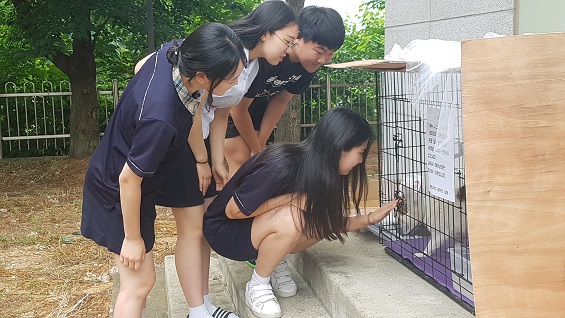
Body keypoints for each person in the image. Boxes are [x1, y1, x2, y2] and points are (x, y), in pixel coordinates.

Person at [136, 2, 298, 318]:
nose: (290, 50)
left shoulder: (254, 65)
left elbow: (221, 111)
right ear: (266, 33)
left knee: (204, 227)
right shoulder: (224, 48)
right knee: (192, 229)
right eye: (288, 40)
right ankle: (197, 311)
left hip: (204, 143)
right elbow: (189, 100)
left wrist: (217, 158)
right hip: (182, 144)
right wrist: (200, 159)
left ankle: (204, 304)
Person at [80, 23, 246, 318]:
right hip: (117, 194)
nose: (235, 85)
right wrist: (131, 238)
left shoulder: (175, 53)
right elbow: (128, 179)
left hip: (132, 189)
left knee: (140, 283)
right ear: (203, 77)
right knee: (139, 284)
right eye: (231, 79)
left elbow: (139, 65)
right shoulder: (160, 118)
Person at [204, 107, 401, 318]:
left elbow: (329, 222)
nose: (360, 161)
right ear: (341, 146)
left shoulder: (321, 172)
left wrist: (370, 219)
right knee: (295, 217)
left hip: (254, 228)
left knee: (315, 219)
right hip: (226, 232)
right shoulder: (282, 163)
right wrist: (292, 199)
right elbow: (233, 212)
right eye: (360, 153)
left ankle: (273, 259)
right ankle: (257, 286)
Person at [223, 5, 346, 300]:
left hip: (257, 125)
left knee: (271, 180)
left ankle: (271, 254)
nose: (324, 60)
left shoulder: (305, 69)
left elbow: (279, 102)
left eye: (331, 53)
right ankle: (258, 252)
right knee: (245, 171)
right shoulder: (268, 58)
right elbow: (238, 108)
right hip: (230, 120)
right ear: (298, 38)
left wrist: (261, 143)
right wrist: (254, 148)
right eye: (319, 50)